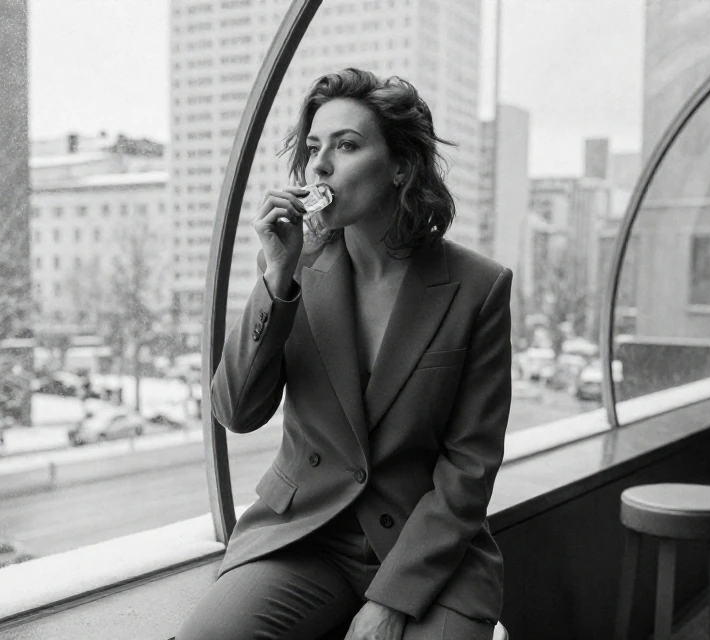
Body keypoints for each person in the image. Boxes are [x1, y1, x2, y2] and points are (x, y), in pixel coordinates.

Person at [178, 69, 513, 640]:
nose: (320, 166)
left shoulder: (478, 287)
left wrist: (391, 601)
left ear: (401, 166)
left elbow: (469, 468)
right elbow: (236, 412)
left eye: (347, 145)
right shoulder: (298, 267)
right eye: (313, 148)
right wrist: (278, 278)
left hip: (424, 544)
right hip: (306, 533)